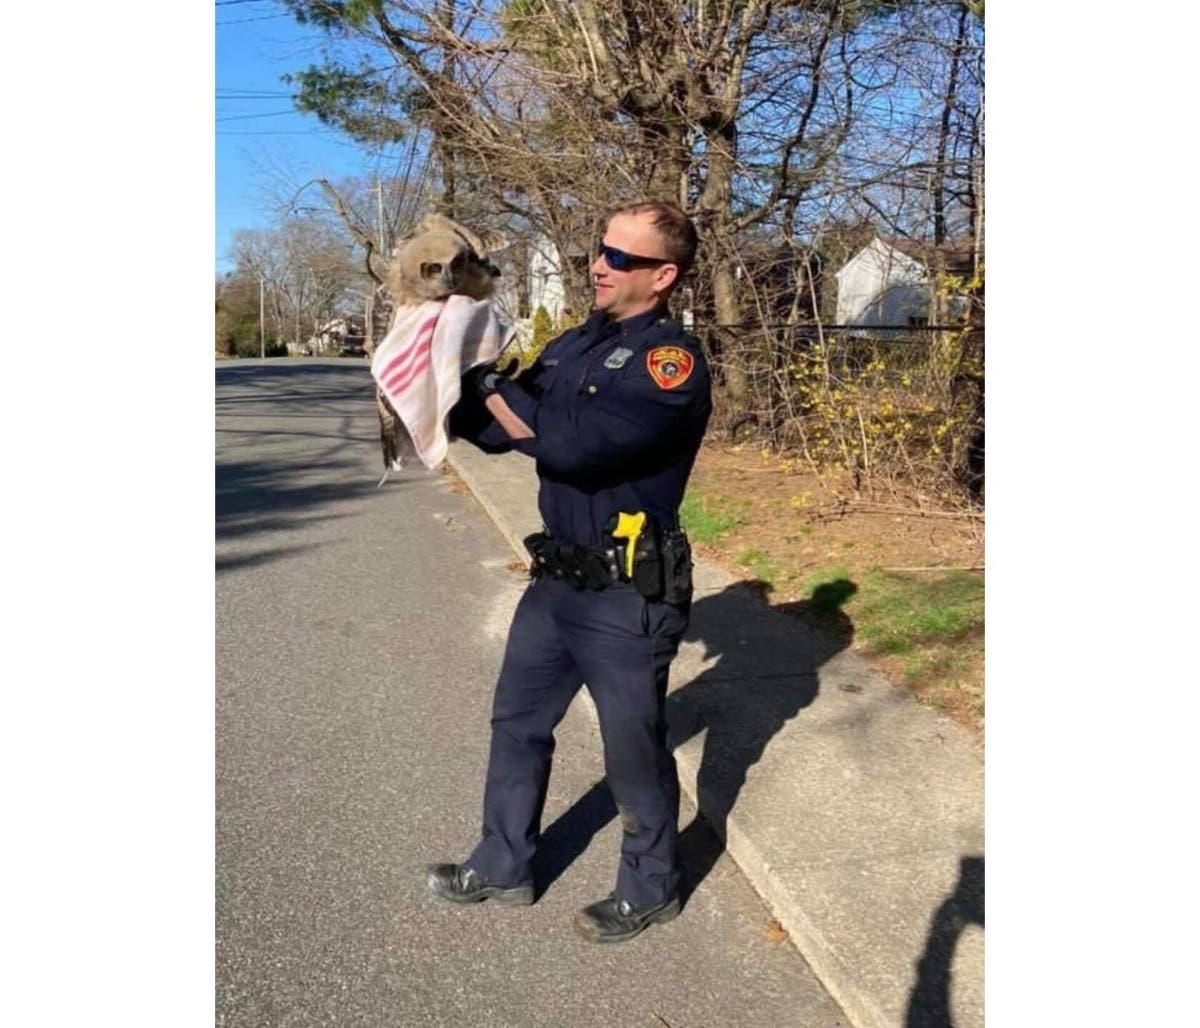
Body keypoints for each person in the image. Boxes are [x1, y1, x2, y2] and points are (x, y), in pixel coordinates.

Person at [432, 201, 712, 944]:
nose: (599, 264)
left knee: (632, 745)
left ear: (662, 276)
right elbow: (502, 428)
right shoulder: (574, 344)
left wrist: (496, 390)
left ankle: (652, 885)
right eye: (600, 249)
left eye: (621, 257)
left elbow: (576, 446)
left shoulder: (671, 363)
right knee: (517, 723)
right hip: (556, 580)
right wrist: (446, 384)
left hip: (628, 592)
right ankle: (502, 862)